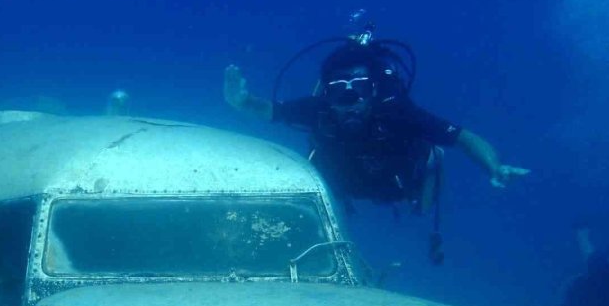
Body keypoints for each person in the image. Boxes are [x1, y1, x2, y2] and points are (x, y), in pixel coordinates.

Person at [224, 31, 529, 261]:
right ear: (327, 95)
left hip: (398, 183)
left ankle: (430, 165)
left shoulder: (397, 112)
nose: (350, 101)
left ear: (374, 92)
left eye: (360, 89)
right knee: (314, 160)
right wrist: (242, 102)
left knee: (427, 173)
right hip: (349, 183)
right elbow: (272, 110)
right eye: (338, 92)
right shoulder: (319, 111)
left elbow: (463, 137)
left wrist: (494, 165)